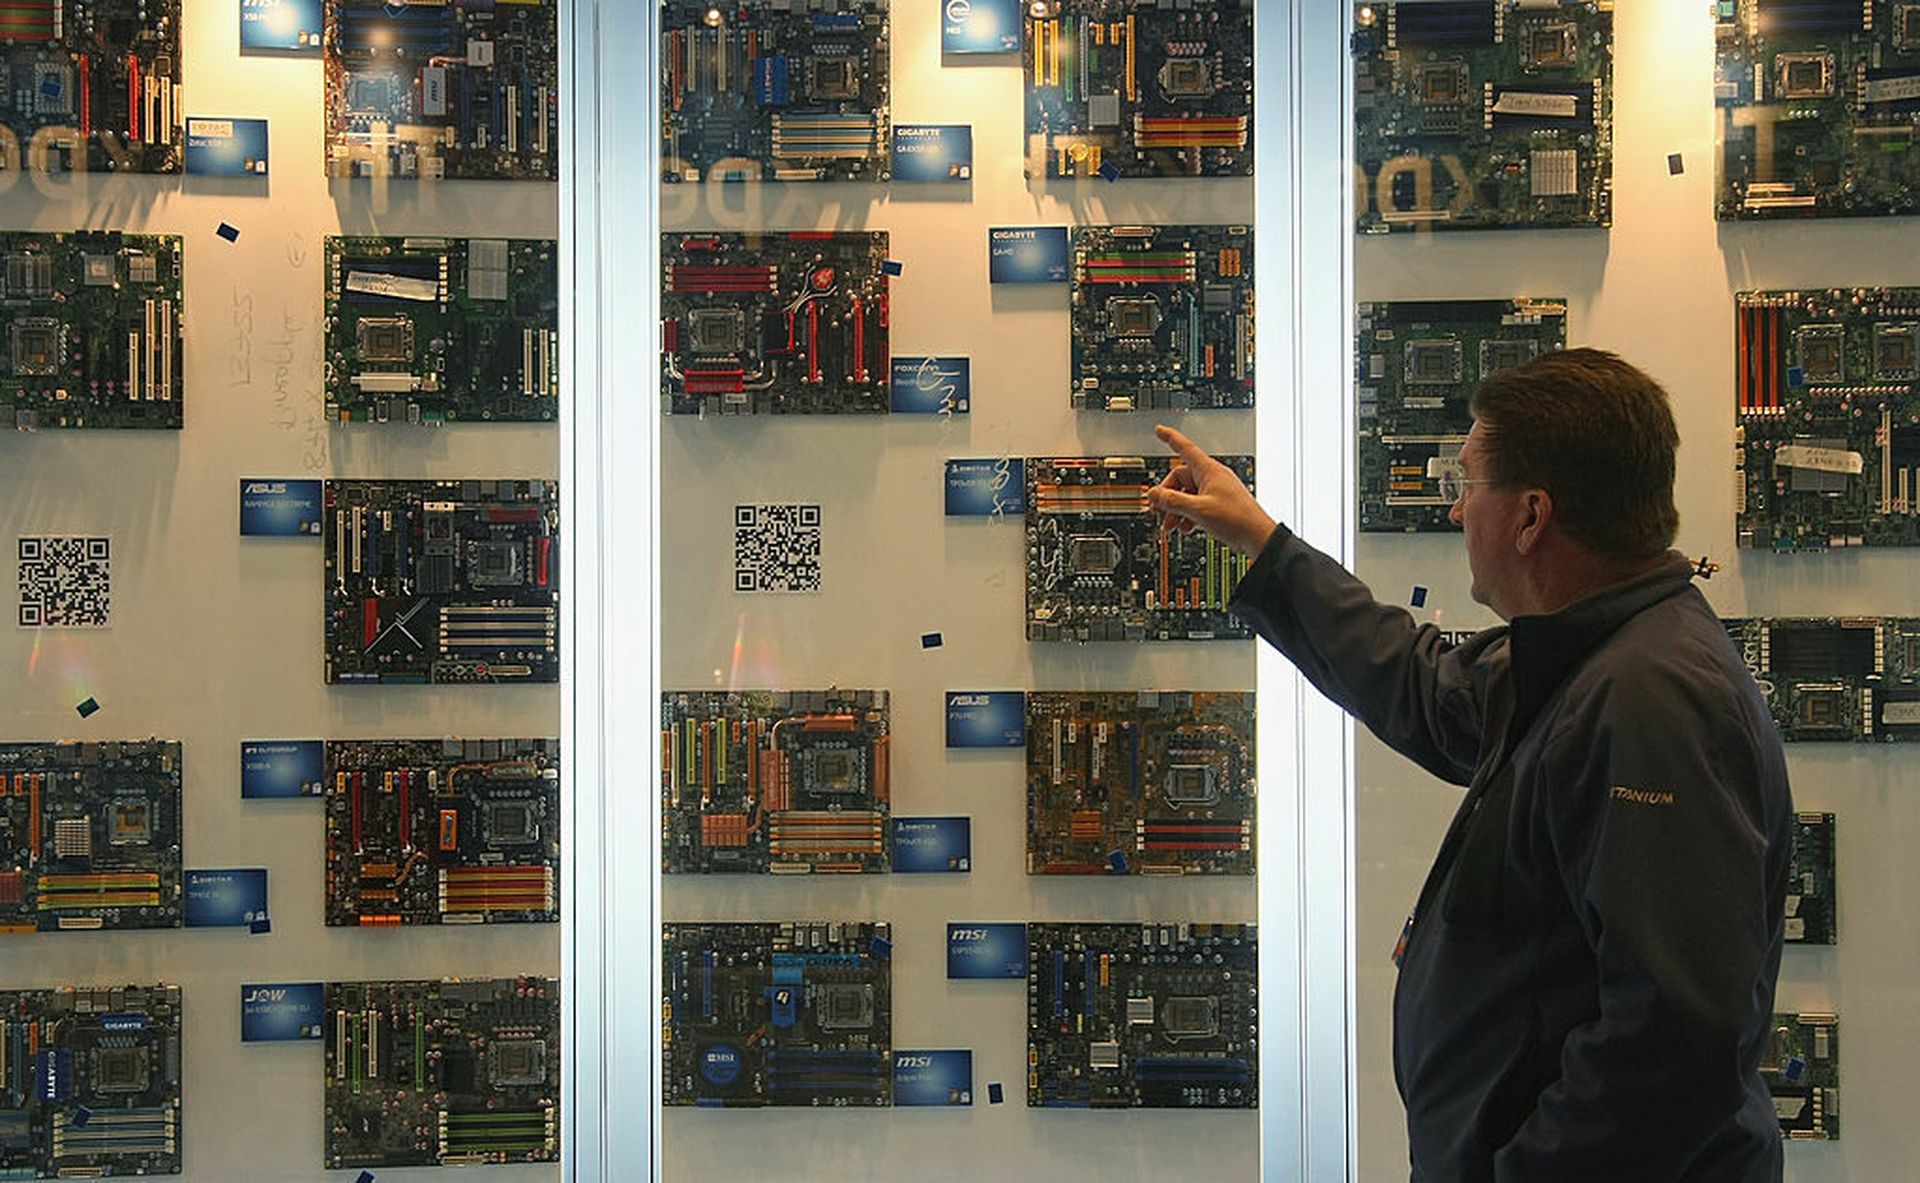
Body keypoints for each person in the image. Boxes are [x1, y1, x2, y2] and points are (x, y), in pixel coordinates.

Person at [1147, 348, 1792, 1181]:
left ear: (1530, 516)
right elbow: (1421, 682)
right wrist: (1265, 546)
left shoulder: (1652, 701)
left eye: (1467, 483)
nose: (1455, 512)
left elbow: (1673, 1039)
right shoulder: (1589, 656)